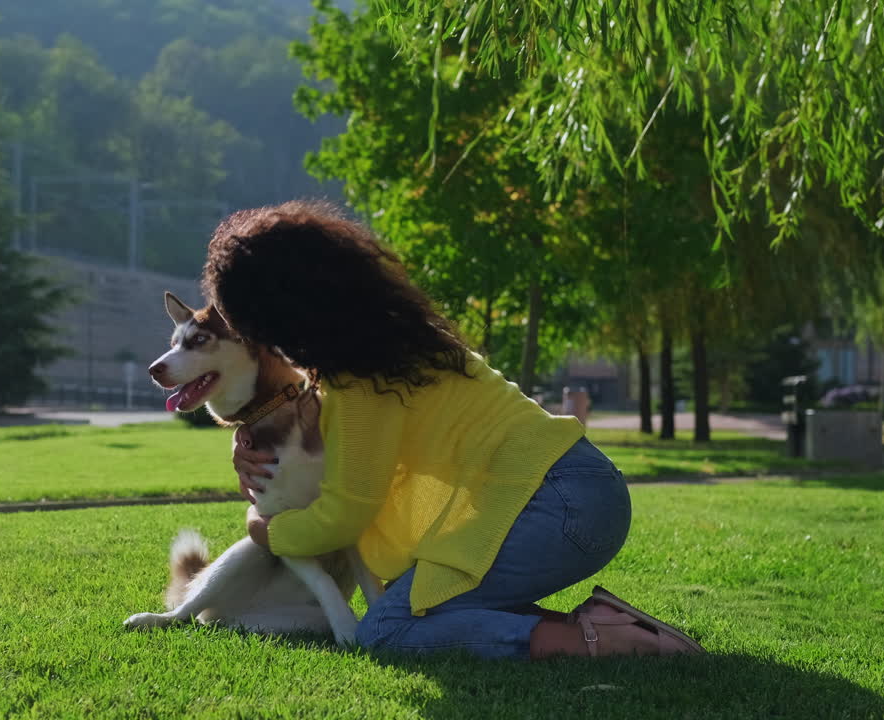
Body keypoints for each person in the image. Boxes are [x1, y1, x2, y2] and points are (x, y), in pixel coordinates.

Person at [203, 201, 704, 660]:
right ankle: (608, 624)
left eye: (253, 327)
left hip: (559, 506)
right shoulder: (391, 343)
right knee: (418, 606)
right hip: (575, 492)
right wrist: (248, 442)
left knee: (387, 631)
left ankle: (604, 642)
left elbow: (343, 517)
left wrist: (264, 530)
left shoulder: (360, 379)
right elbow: (317, 431)